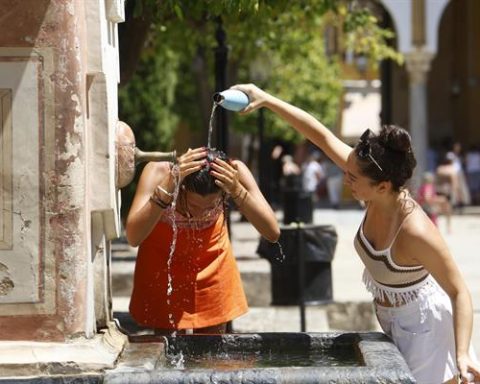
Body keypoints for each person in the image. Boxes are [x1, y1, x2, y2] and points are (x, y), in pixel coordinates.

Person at [231, 83, 480, 384]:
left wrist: (463, 353)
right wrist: (267, 99)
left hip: (427, 330)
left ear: (383, 186)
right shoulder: (370, 178)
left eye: (352, 177)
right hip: (394, 322)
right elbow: (320, 136)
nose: (345, 180)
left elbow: (459, 292)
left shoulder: (415, 230)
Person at [125, 147, 280, 334]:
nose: (201, 213)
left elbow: (272, 232)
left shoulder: (233, 173)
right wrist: (169, 184)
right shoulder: (159, 172)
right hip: (163, 267)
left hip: (213, 267)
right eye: (194, 205)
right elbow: (133, 237)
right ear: (182, 188)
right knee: (166, 348)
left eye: (210, 206)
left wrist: (237, 190)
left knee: (211, 354)